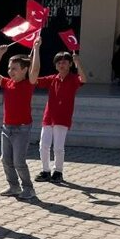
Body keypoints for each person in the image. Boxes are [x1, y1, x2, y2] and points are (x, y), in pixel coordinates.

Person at [0, 38, 40, 201]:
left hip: (22, 129)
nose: (11, 71)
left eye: (15, 68)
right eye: (9, 68)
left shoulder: (28, 83)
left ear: (25, 70)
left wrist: (36, 49)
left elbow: (36, 69)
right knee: (5, 159)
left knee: (19, 161)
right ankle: (13, 186)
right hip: (6, 128)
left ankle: (28, 188)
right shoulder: (7, 83)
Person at [35, 51, 87, 183]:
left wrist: (78, 62)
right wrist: (33, 58)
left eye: (64, 62)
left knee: (58, 147)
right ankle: (45, 170)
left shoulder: (73, 79)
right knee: (43, 145)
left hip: (62, 118)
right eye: (59, 62)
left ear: (70, 64)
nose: (61, 64)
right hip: (49, 117)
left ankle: (58, 171)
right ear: (55, 65)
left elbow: (84, 79)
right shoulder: (52, 78)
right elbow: (34, 80)